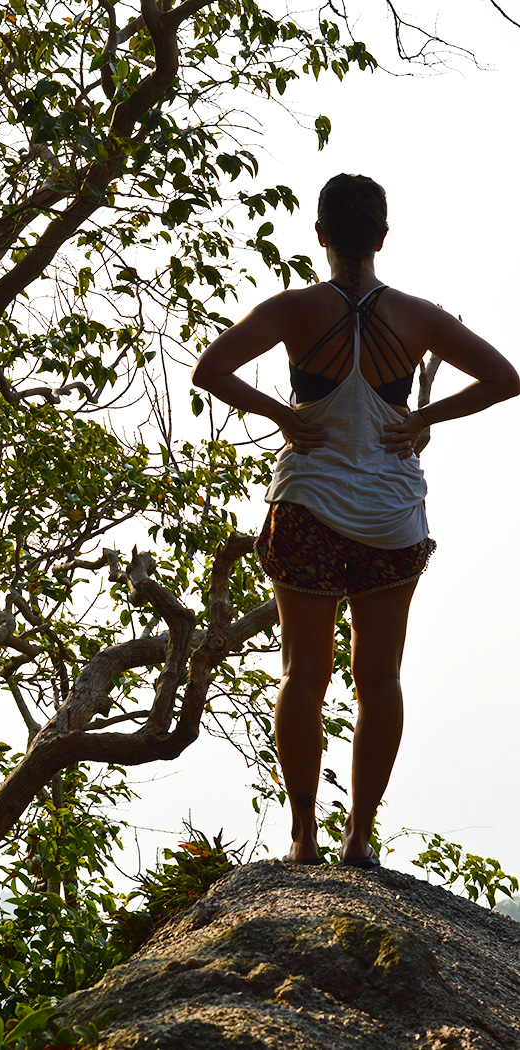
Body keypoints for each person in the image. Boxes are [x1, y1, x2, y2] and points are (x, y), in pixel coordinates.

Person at [191, 174, 520, 867]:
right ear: (382, 237)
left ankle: (303, 836)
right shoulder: (419, 316)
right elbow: (504, 376)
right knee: (381, 678)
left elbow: (211, 369)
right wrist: (422, 416)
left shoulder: (292, 310)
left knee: (301, 674)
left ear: (320, 236)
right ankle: (360, 839)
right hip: (390, 513)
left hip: (307, 502)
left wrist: (284, 416)